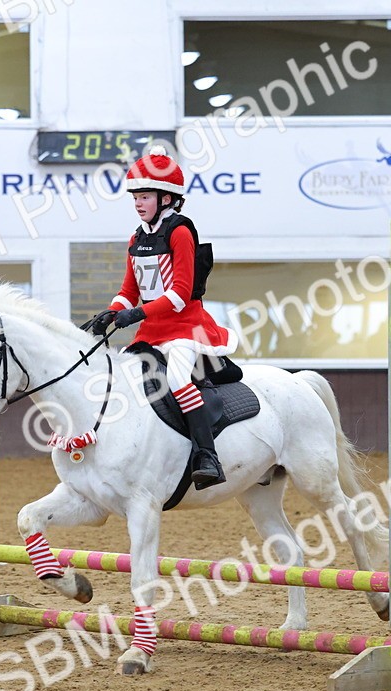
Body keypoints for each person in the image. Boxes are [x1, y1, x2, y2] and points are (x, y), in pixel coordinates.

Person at [88, 147, 237, 490]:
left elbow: (181, 293)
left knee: (179, 378)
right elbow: (129, 290)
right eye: (135, 197)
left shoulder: (180, 232)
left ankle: (207, 456)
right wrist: (111, 312)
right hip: (153, 329)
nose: (137, 203)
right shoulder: (136, 238)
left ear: (166, 198)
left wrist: (136, 313)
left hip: (187, 325)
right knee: (119, 379)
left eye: (144, 196)